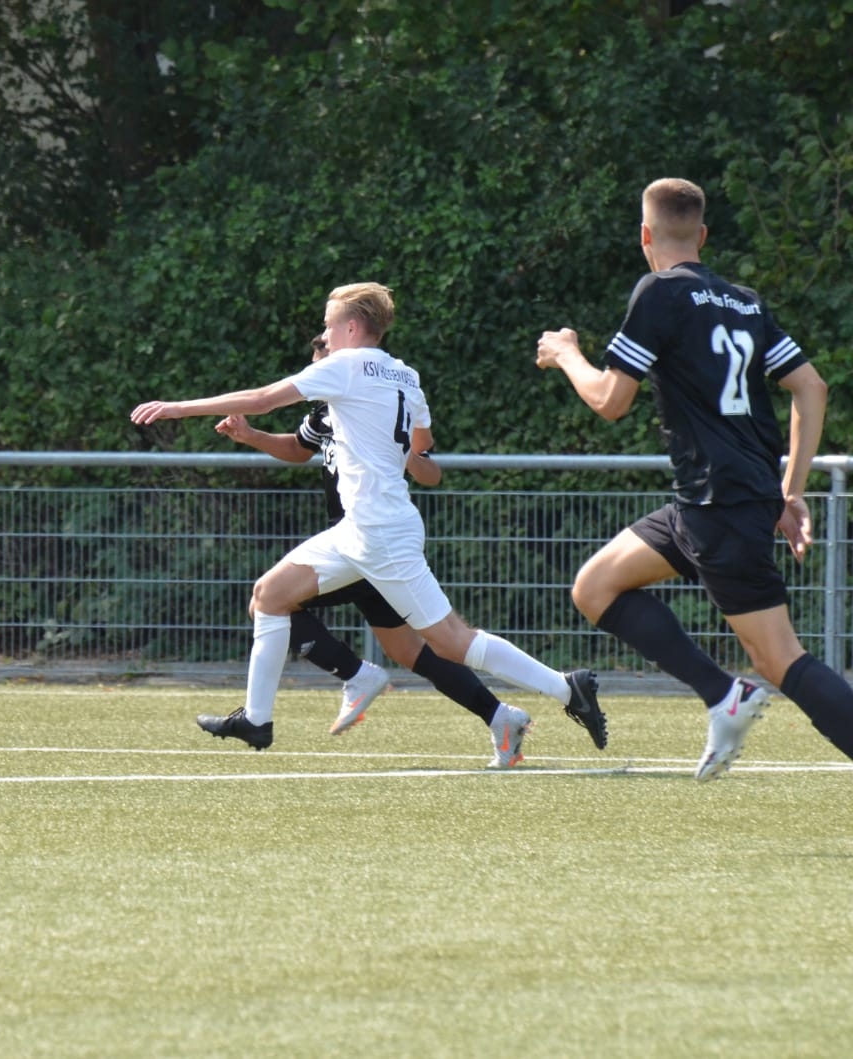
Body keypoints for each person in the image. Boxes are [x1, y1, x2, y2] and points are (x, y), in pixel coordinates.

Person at [131, 281, 608, 760]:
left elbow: (261, 399)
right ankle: (257, 720)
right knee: (270, 595)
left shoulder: (346, 366)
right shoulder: (405, 374)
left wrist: (178, 408)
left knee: (452, 642)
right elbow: (421, 444)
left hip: (380, 532)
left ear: (352, 327)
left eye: (328, 325)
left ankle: (567, 688)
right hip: (359, 529)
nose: (325, 334)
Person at [536, 176, 853, 780]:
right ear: (702, 235)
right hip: (709, 502)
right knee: (595, 587)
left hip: (720, 504)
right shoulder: (744, 301)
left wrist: (566, 353)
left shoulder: (659, 291)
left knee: (780, 658)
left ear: (644, 235)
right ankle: (723, 694)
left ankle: (733, 694)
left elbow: (610, 400)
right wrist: (790, 489)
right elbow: (811, 387)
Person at [216, 330, 545, 767]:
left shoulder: (373, 400)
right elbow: (297, 449)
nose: (314, 370)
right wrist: (251, 435)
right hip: (351, 542)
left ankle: (355, 675)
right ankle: (501, 717)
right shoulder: (326, 411)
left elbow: (431, 473)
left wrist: (410, 458)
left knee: (268, 601)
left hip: (367, 542)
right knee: (410, 651)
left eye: (320, 359)